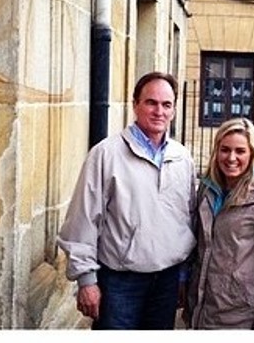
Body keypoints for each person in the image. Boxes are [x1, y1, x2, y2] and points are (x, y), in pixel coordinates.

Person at [57, 72, 197, 330]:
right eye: (151, 102)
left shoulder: (182, 158)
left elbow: (187, 218)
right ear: (135, 105)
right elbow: (83, 219)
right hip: (120, 284)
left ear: (174, 110)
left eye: (166, 105)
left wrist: (183, 276)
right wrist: (87, 280)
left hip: (167, 282)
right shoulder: (105, 154)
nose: (159, 111)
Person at [184, 117, 254, 329]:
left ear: (252, 154)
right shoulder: (207, 190)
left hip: (240, 316)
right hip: (203, 309)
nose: (231, 158)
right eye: (225, 149)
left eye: (240, 151)